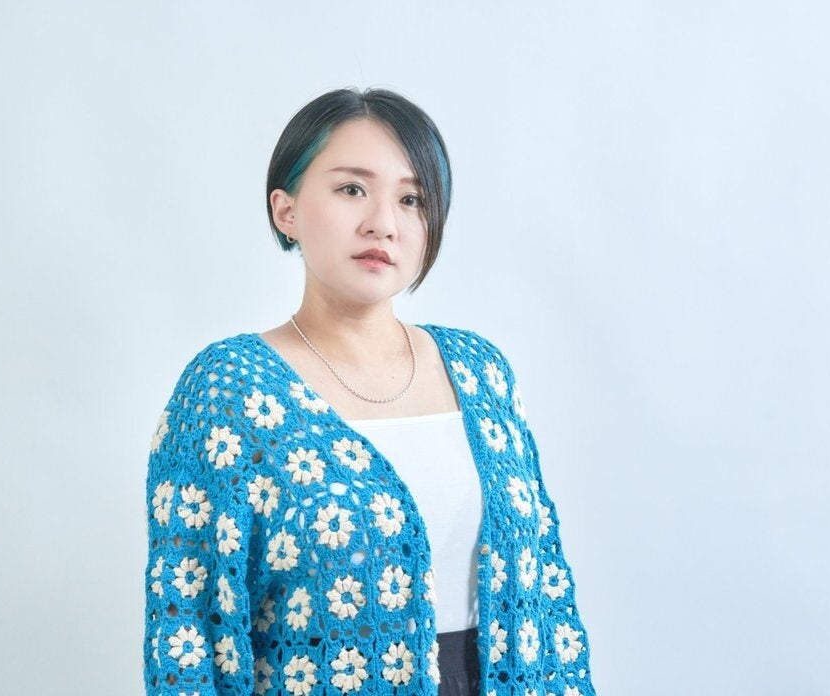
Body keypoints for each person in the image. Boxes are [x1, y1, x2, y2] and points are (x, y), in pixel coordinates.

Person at [144, 87, 596, 695]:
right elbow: (189, 634)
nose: (383, 222)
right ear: (286, 210)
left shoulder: (481, 372)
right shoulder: (230, 392)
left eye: (412, 199)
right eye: (352, 189)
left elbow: (542, 602)